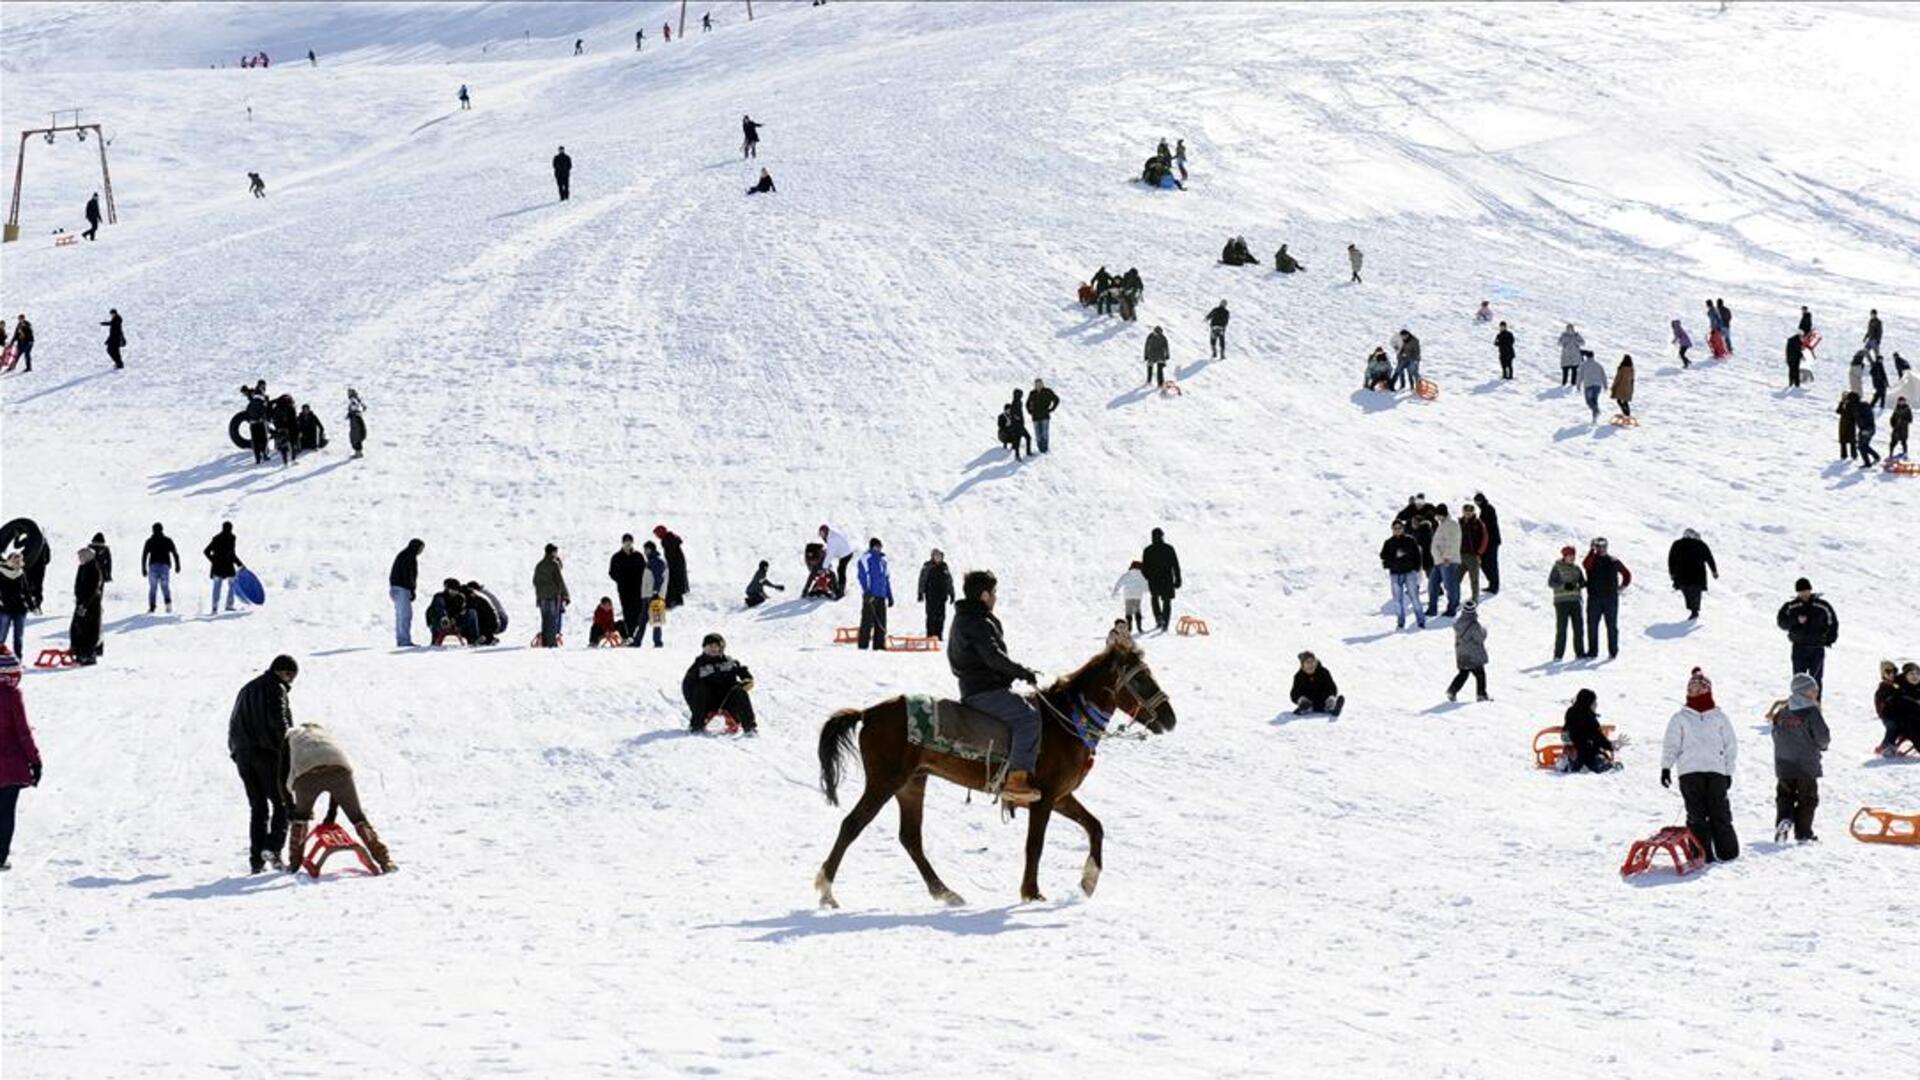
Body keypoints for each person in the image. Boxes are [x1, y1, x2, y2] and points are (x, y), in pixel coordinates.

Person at [948, 571, 1041, 805]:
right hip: (984, 691)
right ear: (984, 595)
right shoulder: (977, 621)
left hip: (975, 687)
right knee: (1028, 718)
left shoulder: (965, 617)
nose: (996, 598)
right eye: (994, 593)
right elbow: (993, 658)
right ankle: (1017, 781)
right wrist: (1023, 672)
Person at [280, 720, 396, 873]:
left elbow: (281, 777)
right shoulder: (324, 734)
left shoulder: (290, 736)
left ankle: (294, 865)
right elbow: (334, 778)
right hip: (340, 772)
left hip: (307, 775)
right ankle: (385, 861)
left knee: (300, 819)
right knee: (358, 818)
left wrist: (291, 808)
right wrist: (331, 814)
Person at [1661, 667, 1738, 862]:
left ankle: (1727, 852)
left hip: (1716, 772)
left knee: (1719, 812)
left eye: (1699, 689)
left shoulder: (1719, 717)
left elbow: (1730, 745)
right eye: (1692, 689)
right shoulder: (1680, 718)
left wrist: (1728, 772)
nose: (1695, 693)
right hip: (1689, 772)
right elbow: (1671, 744)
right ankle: (1700, 854)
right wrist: (1666, 767)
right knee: (1696, 815)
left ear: (1708, 690)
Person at [230, 655, 297, 872]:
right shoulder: (276, 687)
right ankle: (272, 848)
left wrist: (236, 753)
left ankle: (256, 862)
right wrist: (288, 747)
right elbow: (279, 721)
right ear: (285, 672)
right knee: (283, 803)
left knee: (258, 808)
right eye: (291, 677)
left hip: (242, 755)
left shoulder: (246, 689)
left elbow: (233, 722)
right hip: (266, 754)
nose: (290, 683)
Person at [1769, 672, 1830, 843]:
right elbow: (1822, 736)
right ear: (1803, 691)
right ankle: (1804, 833)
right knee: (1807, 798)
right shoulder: (1811, 711)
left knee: (1785, 796)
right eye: (1813, 690)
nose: (1816, 693)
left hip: (1784, 764)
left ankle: (1784, 821)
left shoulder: (1782, 712)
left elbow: (1775, 734)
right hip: (1806, 764)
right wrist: (1822, 746)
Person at [0, 648, 43, 871]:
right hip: (8, 767)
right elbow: (23, 732)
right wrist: (35, 762)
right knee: (5, 813)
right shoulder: (11, 695)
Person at [684, 633, 757, 735]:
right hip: (707, 702)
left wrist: (747, 679)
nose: (713, 649)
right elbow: (687, 685)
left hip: (727, 700)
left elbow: (742, 671)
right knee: (700, 688)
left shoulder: (729, 662)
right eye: (710, 646)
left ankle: (749, 727)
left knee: (739, 692)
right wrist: (693, 702)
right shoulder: (699, 665)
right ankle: (697, 724)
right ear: (704, 648)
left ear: (721, 648)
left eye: (716, 646)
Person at [1776, 578, 1837, 685]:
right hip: (1799, 648)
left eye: (1805, 591)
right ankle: (1799, 702)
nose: (1804, 593)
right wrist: (1796, 620)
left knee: (1816, 681)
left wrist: (1829, 639)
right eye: (1801, 591)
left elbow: (1832, 622)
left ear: (1810, 590)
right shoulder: (1791, 606)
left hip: (1817, 648)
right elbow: (1782, 622)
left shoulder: (1822, 605)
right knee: (1799, 681)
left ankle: (1815, 702)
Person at [1580, 538, 1630, 660]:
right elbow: (1585, 564)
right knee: (1592, 626)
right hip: (1594, 599)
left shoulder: (1614, 561)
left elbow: (1627, 574)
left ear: (1607, 547)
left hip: (1610, 599)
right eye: (1598, 546)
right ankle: (1593, 651)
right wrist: (1591, 551)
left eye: (1603, 546)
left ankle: (1613, 652)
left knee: (1612, 626)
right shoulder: (1591, 560)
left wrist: (1622, 587)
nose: (1601, 549)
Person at [1380, 520, 1425, 631]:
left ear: (1403, 528)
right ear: (1392, 530)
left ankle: (1421, 620)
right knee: (1397, 600)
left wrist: (1416, 569)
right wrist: (1395, 557)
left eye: (1399, 528)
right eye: (1395, 528)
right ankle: (1400, 621)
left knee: (1414, 597)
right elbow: (1383, 557)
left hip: (1409, 572)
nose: (1397, 530)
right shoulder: (1388, 542)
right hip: (1395, 574)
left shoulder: (1410, 540)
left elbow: (1417, 555)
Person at [1664, 529, 1717, 620]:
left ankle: (1693, 610)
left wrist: (1672, 573)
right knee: (1695, 591)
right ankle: (1694, 610)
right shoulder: (1700, 545)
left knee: (1688, 591)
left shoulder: (1677, 544)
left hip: (1682, 574)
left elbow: (1671, 559)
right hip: (1696, 574)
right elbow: (1709, 558)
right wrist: (1714, 571)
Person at [1561, 689, 1615, 773]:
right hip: (1584, 748)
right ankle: (1579, 765)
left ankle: (1569, 762)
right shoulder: (1589, 718)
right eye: (1594, 702)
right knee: (1591, 754)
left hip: (1570, 740)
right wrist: (1610, 745)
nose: (1596, 705)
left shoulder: (1571, 711)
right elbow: (1597, 736)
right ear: (1588, 703)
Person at [608, 534, 651, 639]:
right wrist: (620, 579)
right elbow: (612, 572)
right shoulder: (616, 557)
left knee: (638, 612)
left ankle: (635, 633)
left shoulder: (638, 556)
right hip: (624, 590)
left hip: (637, 589)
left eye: (630, 542)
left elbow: (645, 570)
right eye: (626, 542)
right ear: (622, 543)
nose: (628, 544)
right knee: (627, 612)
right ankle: (630, 635)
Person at [1446, 600, 1490, 702]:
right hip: (1473, 654)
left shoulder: (1459, 622)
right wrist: (1484, 632)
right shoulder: (1474, 624)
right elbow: (1479, 638)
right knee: (1480, 674)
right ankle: (1481, 695)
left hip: (1461, 652)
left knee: (1464, 673)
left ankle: (1452, 690)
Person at [66, 548, 103, 666]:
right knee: (77, 627)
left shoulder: (94, 569)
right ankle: (78, 651)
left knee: (89, 629)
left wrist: (85, 604)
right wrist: (78, 599)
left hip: (91, 605)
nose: (80, 559)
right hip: (81, 602)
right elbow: (77, 584)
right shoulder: (82, 567)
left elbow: (93, 589)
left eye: (81, 556)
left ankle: (89, 654)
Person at [1548, 545, 1586, 661]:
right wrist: (1563, 586)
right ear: (1564, 556)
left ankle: (1580, 653)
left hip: (1575, 601)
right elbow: (1551, 582)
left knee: (1578, 628)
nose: (1572, 558)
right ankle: (1558, 654)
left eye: (1573, 556)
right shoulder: (1557, 567)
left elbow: (1583, 582)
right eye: (1569, 556)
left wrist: (1579, 585)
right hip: (1561, 602)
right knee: (1562, 629)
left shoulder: (1577, 568)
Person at [1141, 527, 1182, 632]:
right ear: (1162, 536)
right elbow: (1175, 565)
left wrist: (1148, 577)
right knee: (1167, 601)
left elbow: (1144, 568)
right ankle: (1165, 622)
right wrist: (1178, 579)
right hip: (1167, 579)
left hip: (1154, 579)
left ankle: (1158, 618)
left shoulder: (1148, 550)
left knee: (1154, 598)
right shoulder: (1169, 548)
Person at [856, 538, 892, 650]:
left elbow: (886, 579)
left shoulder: (883, 560)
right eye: (876, 546)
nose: (879, 548)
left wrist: (889, 595)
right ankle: (863, 645)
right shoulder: (866, 558)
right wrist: (866, 592)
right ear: (872, 547)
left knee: (881, 622)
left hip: (881, 595)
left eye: (880, 546)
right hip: (871, 595)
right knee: (867, 621)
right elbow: (862, 576)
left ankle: (879, 646)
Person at [1425, 504, 1460, 618]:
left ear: (1441, 514)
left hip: (1447, 561)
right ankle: (1432, 608)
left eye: (1437, 515)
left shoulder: (1451, 524)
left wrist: (1447, 557)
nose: (1436, 518)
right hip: (1438, 561)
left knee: (1450, 585)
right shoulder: (1442, 525)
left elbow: (1453, 542)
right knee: (1432, 585)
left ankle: (1452, 609)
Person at [389, 538, 423, 647]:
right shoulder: (409, 557)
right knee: (405, 615)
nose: (421, 551)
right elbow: (409, 575)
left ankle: (401, 639)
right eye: (420, 548)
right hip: (402, 589)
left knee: (400, 615)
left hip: (395, 588)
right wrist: (412, 589)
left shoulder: (402, 555)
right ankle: (404, 640)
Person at [533, 543, 569, 647]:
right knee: (553, 619)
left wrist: (539, 595)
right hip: (552, 595)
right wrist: (566, 595)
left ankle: (545, 641)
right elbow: (560, 580)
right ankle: (552, 642)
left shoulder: (539, 565)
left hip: (541, 596)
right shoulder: (554, 564)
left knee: (545, 619)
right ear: (553, 552)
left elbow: (535, 581)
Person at [204, 522, 243, 613]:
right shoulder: (232, 538)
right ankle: (229, 605)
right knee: (232, 584)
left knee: (217, 587)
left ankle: (214, 607)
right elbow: (232, 554)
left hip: (217, 567)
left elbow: (206, 551)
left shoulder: (216, 538)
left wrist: (213, 560)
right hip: (228, 566)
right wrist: (239, 564)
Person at [141, 523, 179, 615]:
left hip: (153, 566)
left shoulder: (149, 541)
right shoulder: (167, 540)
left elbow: (144, 555)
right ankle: (168, 605)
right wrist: (177, 565)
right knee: (165, 586)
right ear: (162, 529)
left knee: (153, 588)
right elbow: (175, 553)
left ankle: (152, 607)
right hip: (164, 566)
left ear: (152, 530)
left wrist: (143, 568)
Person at [427, 579, 479, 646]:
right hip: (440, 623)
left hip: (454, 623)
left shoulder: (460, 598)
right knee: (441, 614)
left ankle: (474, 639)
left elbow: (461, 610)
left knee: (472, 612)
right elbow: (438, 608)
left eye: (456, 590)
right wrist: (444, 617)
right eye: (452, 589)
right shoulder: (439, 597)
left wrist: (457, 617)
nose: (454, 592)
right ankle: (435, 638)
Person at [1883, 661, 1920, 756]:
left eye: (1917, 674)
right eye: (1911, 674)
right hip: (1905, 721)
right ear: (1905, 676)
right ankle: (1889, 745)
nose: (1915, 676)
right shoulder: (1899, 690)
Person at [1290, 652, 1343, 716]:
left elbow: (1332, 687)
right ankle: (1305, 708)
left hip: (1324, 701)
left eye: (1312, 662)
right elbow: (1294, 693)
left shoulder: (1324, 672)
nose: (1310, 665)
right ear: (1303, 665)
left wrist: (1330, 695)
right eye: (1307, 662)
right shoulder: (1299, 676)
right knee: (1304, 702)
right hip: (1309, 702)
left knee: (1330, 699)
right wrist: (1300, 699)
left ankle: (1333, 707)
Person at [917, 549, 953, 639]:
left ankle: (938, 635)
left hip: (942, 596)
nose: (938, 558)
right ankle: (930, 635)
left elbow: (949, 581)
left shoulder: (944, 567)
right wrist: (920, 593)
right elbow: (922, 580)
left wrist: (951, 593)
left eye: (939, 556)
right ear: (932, 557)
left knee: (941, 616)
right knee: (931, 616)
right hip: (931, 595)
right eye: (936, 556)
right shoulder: (928, 566)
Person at [1458, 502, 1490, 604]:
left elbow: (1485, 539)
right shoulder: (1460, 522)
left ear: (1473, 512)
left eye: (1469, 512)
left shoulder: (1479, 523)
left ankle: (1475, 598)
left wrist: (1479, 553)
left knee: (1474, 580)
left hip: (1473, 556)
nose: (1467, 514)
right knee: (1455, 579)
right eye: (1465, 511)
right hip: (1460, 555)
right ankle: (1455, 599)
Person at [1472, 492, 1502, 595]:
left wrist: (1478, 523)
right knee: (1484, 563)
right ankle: (1492, 583)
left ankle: (1494, 586)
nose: (1477, 503)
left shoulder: (1489, 509)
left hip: (1492, 541)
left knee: (1492, 563)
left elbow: (1488, 526)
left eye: (1477, 501)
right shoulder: (1484, 510)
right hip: (1487, 541)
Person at [641, 541, 669, 647]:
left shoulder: (656, 562)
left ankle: (657, 641)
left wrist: (655, 592)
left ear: (651, 549)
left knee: (654, 618)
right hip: (649, 594)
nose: (645, 552)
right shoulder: (652, 561)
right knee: (646, 619)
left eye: (646, 549)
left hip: (653, 595)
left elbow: (658, 578)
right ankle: (639, 641)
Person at [653, 524, 689, 608]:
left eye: (657, 534)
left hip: (675, 565)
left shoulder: (667, 540)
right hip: (677, 564)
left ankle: (672, 601)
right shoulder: (670, 538)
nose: (657, 536)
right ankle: (677, 600)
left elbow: (671, 554)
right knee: (676, 581)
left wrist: (669, 565)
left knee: (672, 581)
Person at [1112, 560, 1148, 636]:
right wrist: (1146, 590)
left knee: (1128, 612)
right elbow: (1146, 586)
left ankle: (1129, 627)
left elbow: (1119, 582)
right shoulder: (1142, 575)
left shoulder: (1127, 575)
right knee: (1137, 611)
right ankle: (1139, 627)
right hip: (1138, 596)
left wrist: (1115, 591)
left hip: (1128, 596)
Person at [819, 524, 854, 599]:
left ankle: (841, 591)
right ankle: (840, 587)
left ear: (826, 532)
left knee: (841, 570)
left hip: (846, 554)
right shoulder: (830, 536)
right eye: (820, 534)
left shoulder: (832, 539)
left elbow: (830, 554)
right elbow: (831, 550)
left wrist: (824, 566)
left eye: (822, 533)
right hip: (844, 552)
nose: (822, 536)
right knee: (840, 569)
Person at [1027, 378, 1060, 453]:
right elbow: (1027, 404)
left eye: (1039, 384)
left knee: (1044, 432)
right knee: (1037, 433)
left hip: (1045, 415)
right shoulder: (1032, 393)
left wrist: (1052, 409)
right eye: (1036, 384)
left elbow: (1056, 399)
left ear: (1042, 384)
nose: (1038, 385)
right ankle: (1040, 448)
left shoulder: (1047, 391)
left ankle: (1045, 448)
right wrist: (1030, 411)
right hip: (1035, 416)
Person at [999, 391, 1031, 460]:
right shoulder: (1014, 403)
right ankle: (1017, 456)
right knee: (1018, 441)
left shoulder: (1020, 402)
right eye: (1019, 394)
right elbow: (1013, 414)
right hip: (1016, 425)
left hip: (1021, 425)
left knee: (1028, 437)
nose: (1021, 396)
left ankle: (1028, 452)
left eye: (1021, 394)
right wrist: (1016, 417)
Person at [1854, 393, 1881, 469]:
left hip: (1867, 429)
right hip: (1866, 429)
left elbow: (1865, 418)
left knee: (1862, 446)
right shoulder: (1859, 406)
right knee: (1863, 446)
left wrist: (1865, 430)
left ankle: (1871, 461)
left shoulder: (1861, 407)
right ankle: (1873, 459)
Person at [1578, 350, 1607, 421]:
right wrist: (1605, 385)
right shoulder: (1598, 365)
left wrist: (1578, 384)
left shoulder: (1584, 365)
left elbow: (1580, 375)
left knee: (1589, 401)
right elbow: (1603, 375)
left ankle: (1596, 411)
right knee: (1595, 401)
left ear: (1587, 357)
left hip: (1589, 385)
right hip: (1597, 386)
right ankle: (1595, 418)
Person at [1836, 391, 1859, 461]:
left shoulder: (1846, 403)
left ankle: (1844, 455)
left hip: (1844, 423)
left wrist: (1842, 404)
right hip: (1851, 424)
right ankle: (1853, 455)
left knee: (1843, 440)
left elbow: (1838, 411)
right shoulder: (1855, 404)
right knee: (1852, 440)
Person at [346, 388, 367, 457]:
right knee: (356, 435)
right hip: (356, 419)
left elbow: (356, 408)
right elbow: (363, 407)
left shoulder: (354, 400)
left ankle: (358, 453)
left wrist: (352, 413)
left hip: (355, 420)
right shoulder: (357, 400)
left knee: (356, 436)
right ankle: (358, 452)